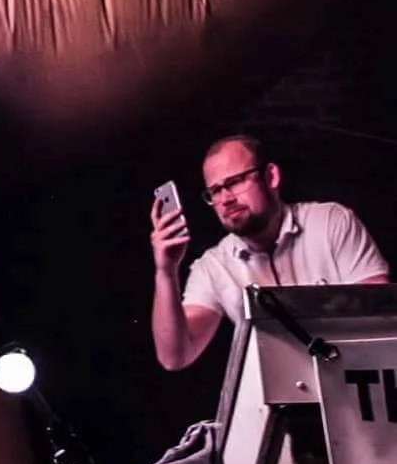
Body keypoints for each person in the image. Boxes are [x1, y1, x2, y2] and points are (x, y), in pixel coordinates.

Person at [150, 132, 388, 371]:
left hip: (351, 379)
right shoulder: (213, 266)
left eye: (235, 182)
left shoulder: (330, 222)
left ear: (270, 176)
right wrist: (166, 272)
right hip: (275, 400)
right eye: (214, 191)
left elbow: (382, 313)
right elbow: (174, 357)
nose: (225, 198)